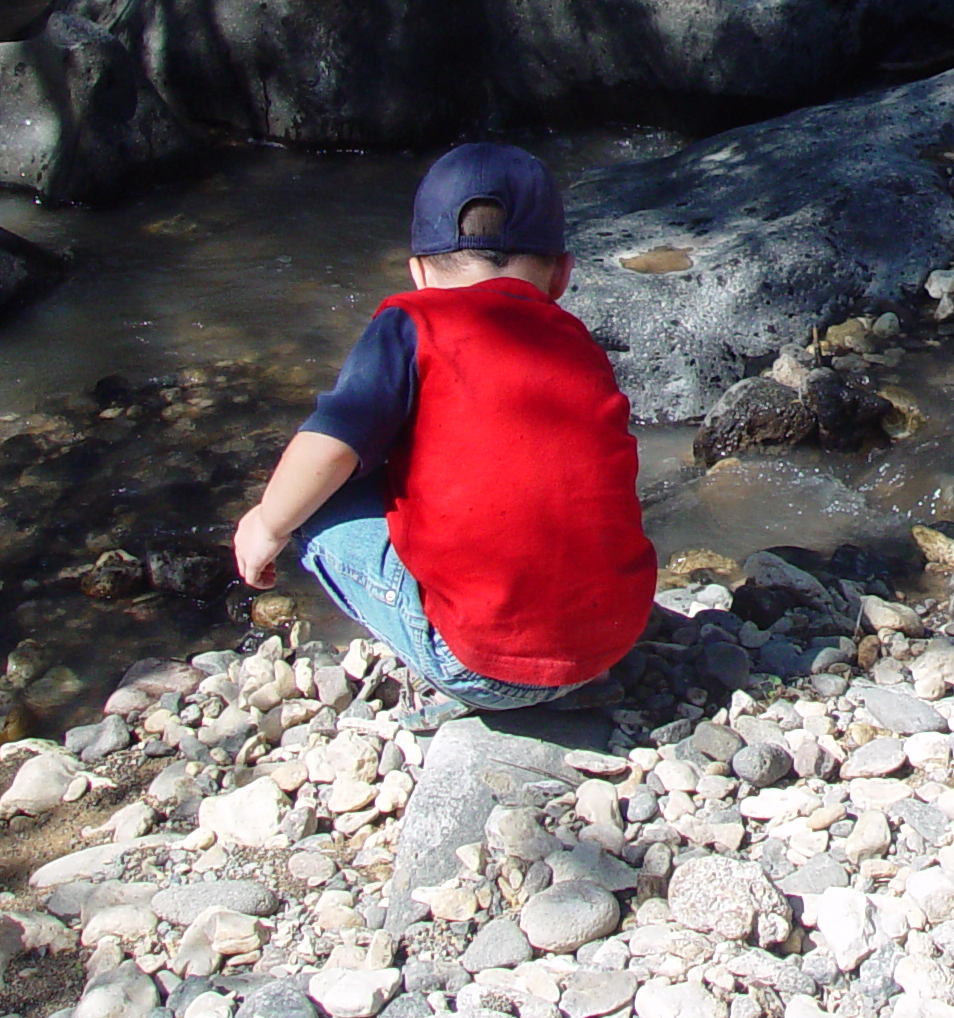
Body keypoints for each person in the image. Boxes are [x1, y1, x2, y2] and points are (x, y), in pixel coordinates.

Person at [232, 143, 655, 711]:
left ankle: (479, 669)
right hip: (612, 638)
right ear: (562, 276)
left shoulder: (412, 320)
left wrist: (266, 525)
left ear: (417, 272)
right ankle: (566, 657)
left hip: (479, 666)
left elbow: (330, 443)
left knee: (320, 503)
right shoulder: (579, 345)